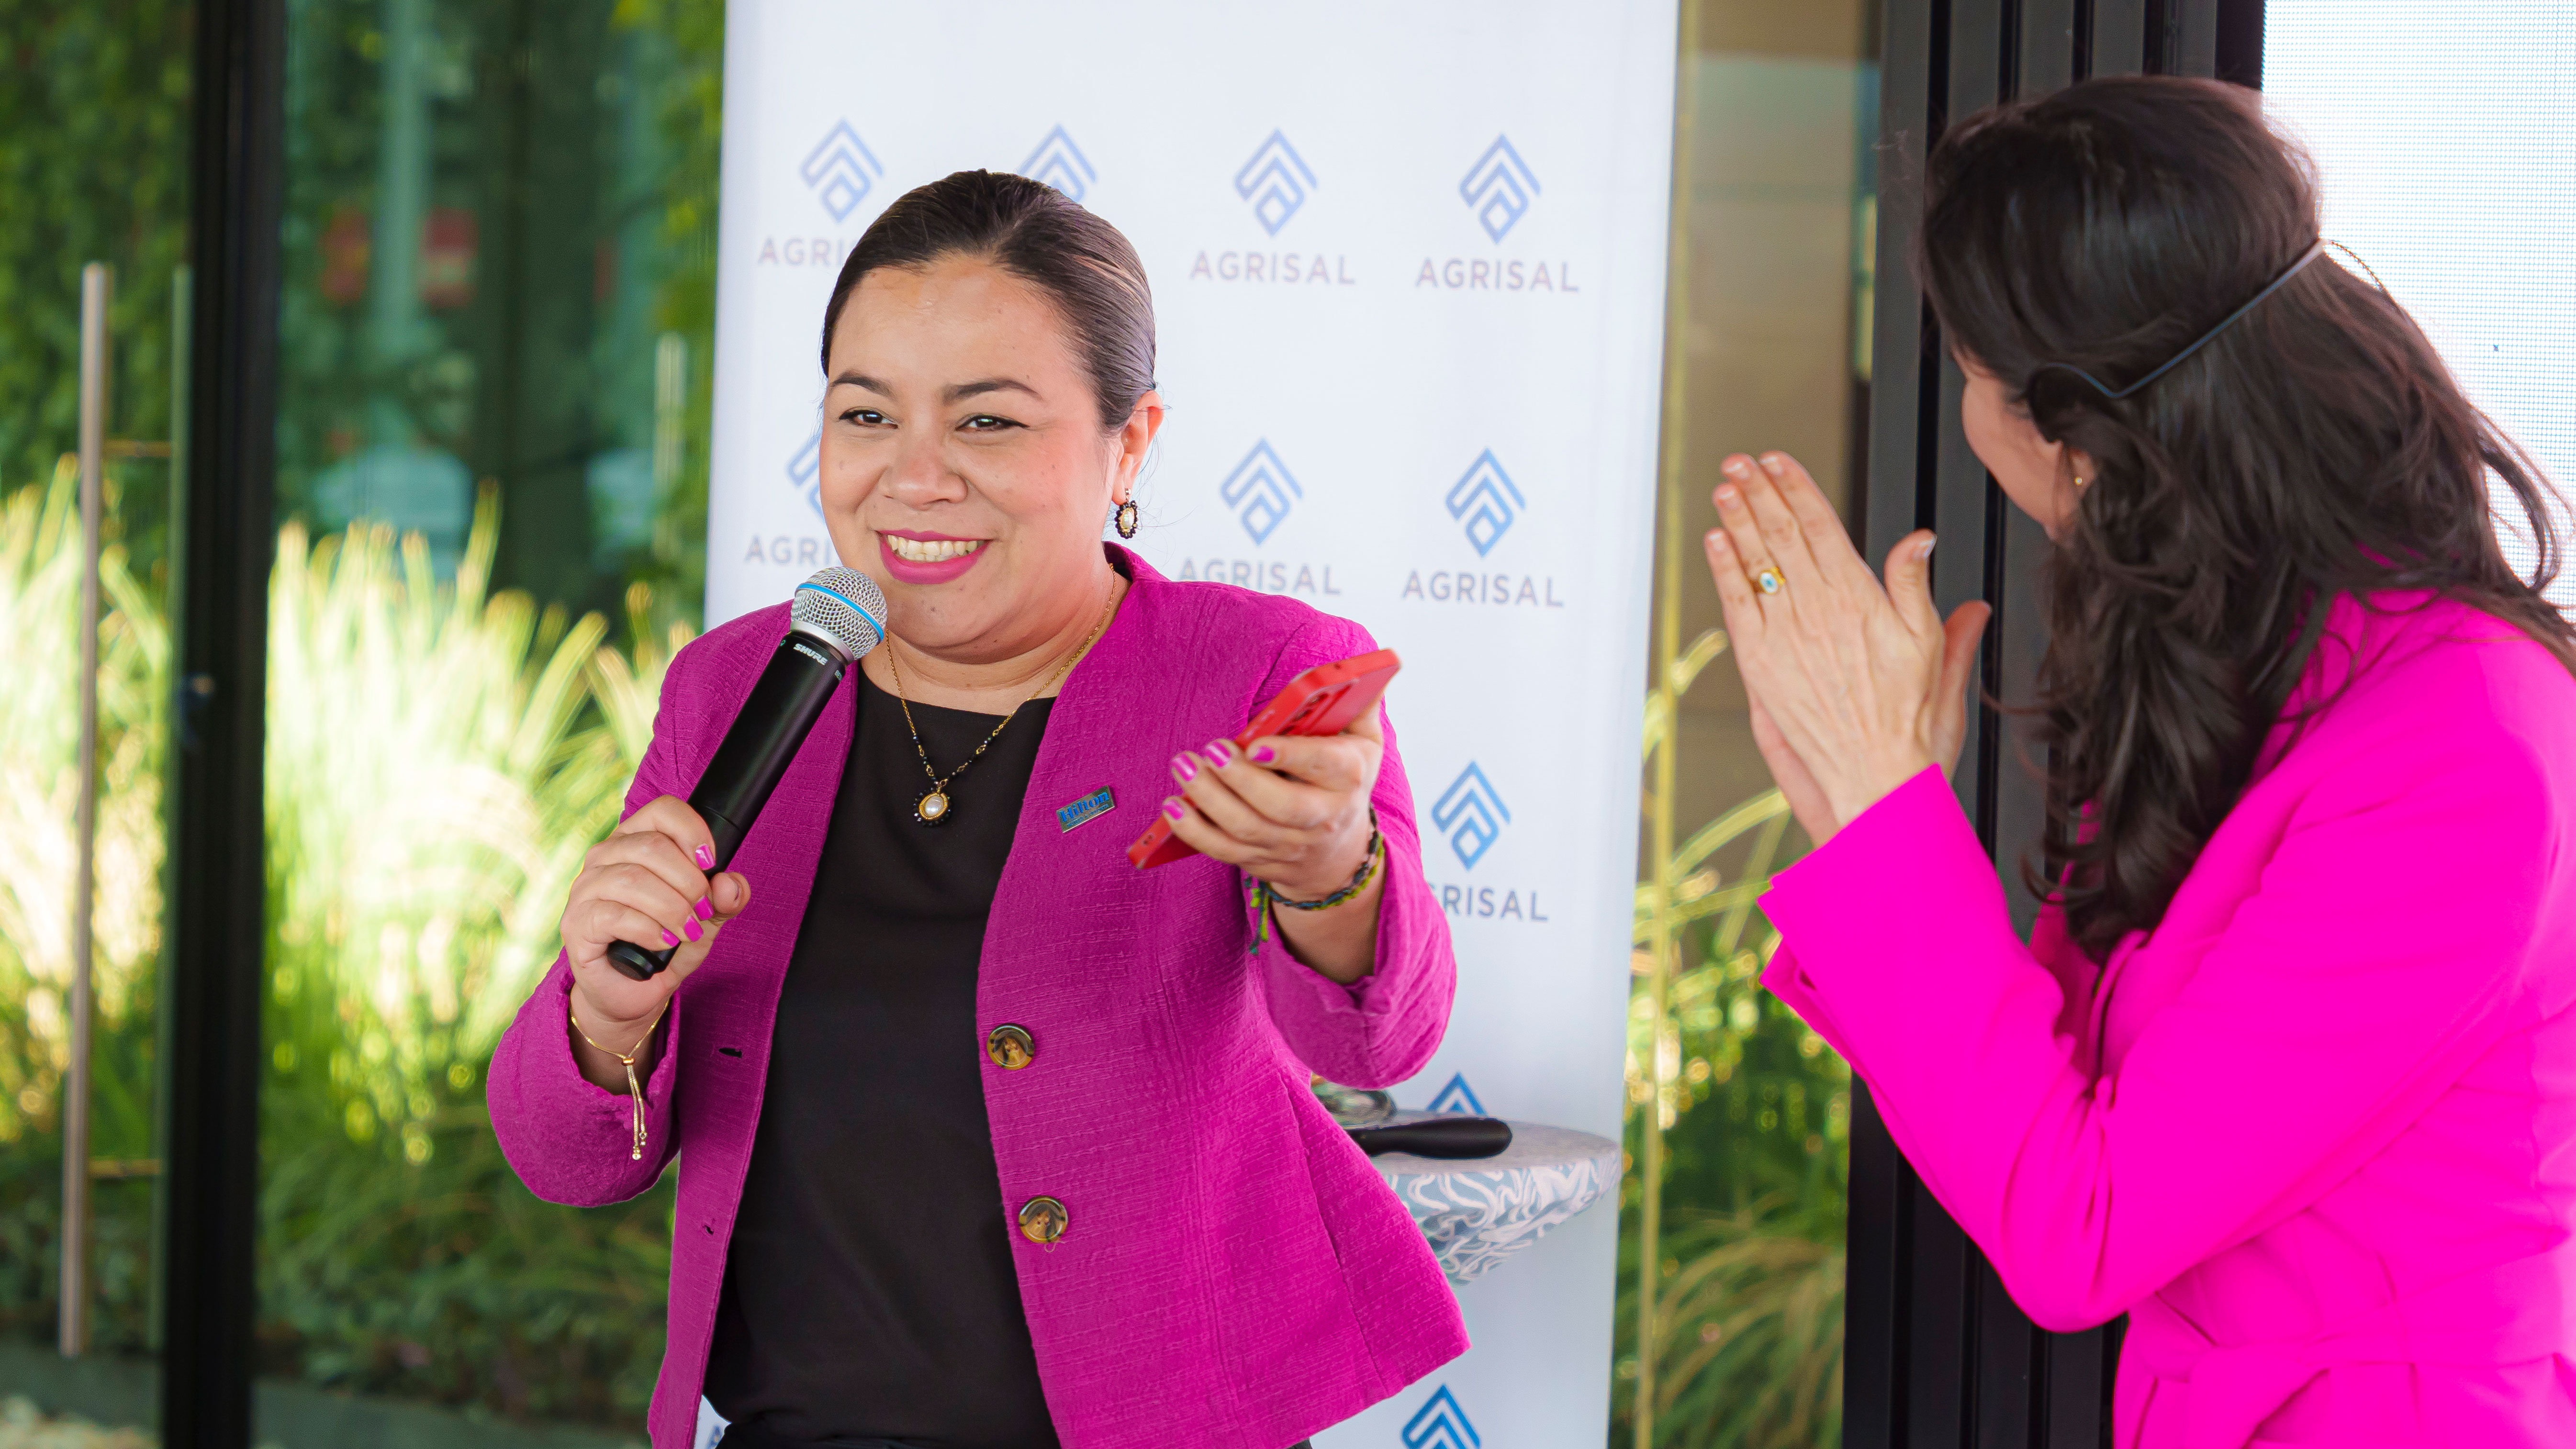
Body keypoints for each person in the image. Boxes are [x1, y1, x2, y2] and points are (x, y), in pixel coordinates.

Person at [487, 170, 1465, 1449]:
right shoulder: (734, 686)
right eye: (866, 414)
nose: (914, 478)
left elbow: (1381, 1045)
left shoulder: (1255, 675)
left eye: (988, 422)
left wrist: (1331, 869)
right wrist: (607, 1012)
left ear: (1129, 443)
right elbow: (568, 1158)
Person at [1705, 78, 2576, 1449]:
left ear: (2073, 436)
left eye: (1965, 369)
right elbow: (2045, 1124)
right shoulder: (2245, 665)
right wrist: (1873, 812)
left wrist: (1882, 815)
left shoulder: (2467, 748)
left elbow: (2079, 1229)